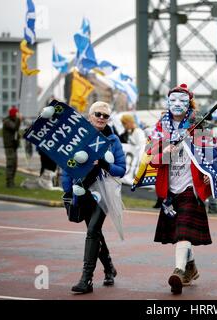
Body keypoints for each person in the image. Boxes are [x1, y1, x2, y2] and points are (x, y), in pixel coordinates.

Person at [148, 83, 217, 295]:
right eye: (173, 100)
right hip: (170, 190)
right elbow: (153, 159)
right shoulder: (160, 128)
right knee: (179, 232)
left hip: (192, 187)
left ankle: (178, 271)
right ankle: (190, 267)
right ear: (167, 103)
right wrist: (166, 152)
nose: (177, 104)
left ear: (189, 103)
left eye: (182, 101)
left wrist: (211, 175)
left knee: (183, 230)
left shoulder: (198, 126)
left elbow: (212, 156)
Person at [61, 101, 126, 294]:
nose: (101, 118)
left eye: (105, 116)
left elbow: (121, 170)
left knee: (92, 231)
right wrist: (68, 189)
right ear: (90, 116)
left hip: (104, 192)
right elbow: (66, 164)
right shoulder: (78, 137)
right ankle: (109, 268)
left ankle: (86, 279)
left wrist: (105, 164)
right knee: (95, 232)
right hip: (82, 190)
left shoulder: (113, 141)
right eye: (98, 114)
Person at [2, 106, 22, 188]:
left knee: (14, 165)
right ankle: (9, 183)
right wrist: (18, 119)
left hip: (13, 146)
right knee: (10, 164)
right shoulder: (7, 122)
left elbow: (16, 131)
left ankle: (12, 181)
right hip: (9, 146)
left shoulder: (12, 121)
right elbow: (14, 128)